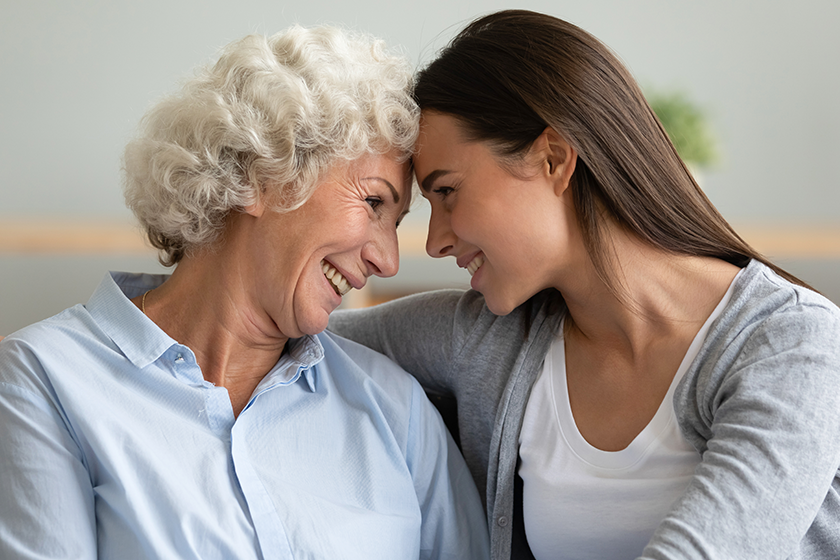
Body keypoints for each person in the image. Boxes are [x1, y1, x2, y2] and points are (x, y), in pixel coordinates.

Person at [328, 9, 840, 560]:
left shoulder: (794, 346)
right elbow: (296, 332)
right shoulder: (488, 338)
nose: (435, 242)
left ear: (554, 159)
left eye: (447, 192)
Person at [0, 25, 489, 559]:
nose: (387, 259)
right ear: (261, 174)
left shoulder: (397, 413)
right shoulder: (43, 381)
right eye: (374, 203)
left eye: (395, 223)